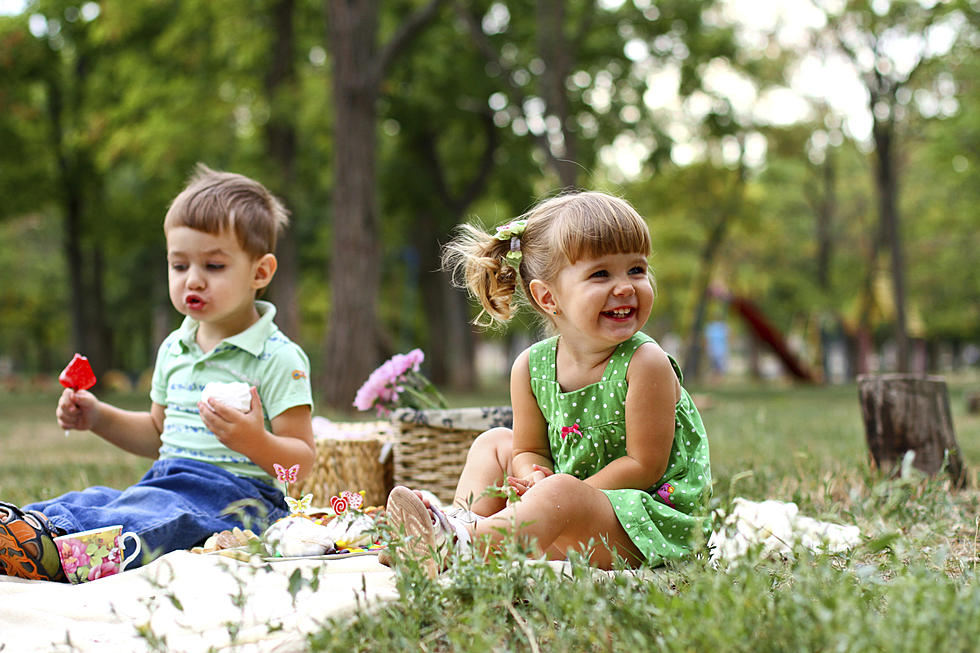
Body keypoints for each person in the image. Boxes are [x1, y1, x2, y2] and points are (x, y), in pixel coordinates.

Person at [0, 165, 315, 582]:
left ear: (260, 272)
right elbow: (157, 434)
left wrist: (252, 440)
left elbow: (303, 461)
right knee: (107, 499)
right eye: (179, 265)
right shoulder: (174, 349)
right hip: (166, 480)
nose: (193, 280)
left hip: (241, 500)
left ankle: (60, 553)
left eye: (214, 266)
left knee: (165, 520)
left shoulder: (278, 358)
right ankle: (29, 528)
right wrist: (97, 417)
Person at [385, 191, 711, 575]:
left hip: (647, 527)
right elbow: (528, 450)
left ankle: (463, 547)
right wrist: (532, 474)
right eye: (601, 273)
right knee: (493, 444)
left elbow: (643, 466)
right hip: (563, 515)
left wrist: (554, 490)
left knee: (561, 492)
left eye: (636, 269)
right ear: (547, 297)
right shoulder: (531, 367)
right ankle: (460, 526)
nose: (625, 286)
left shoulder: (645, 363)